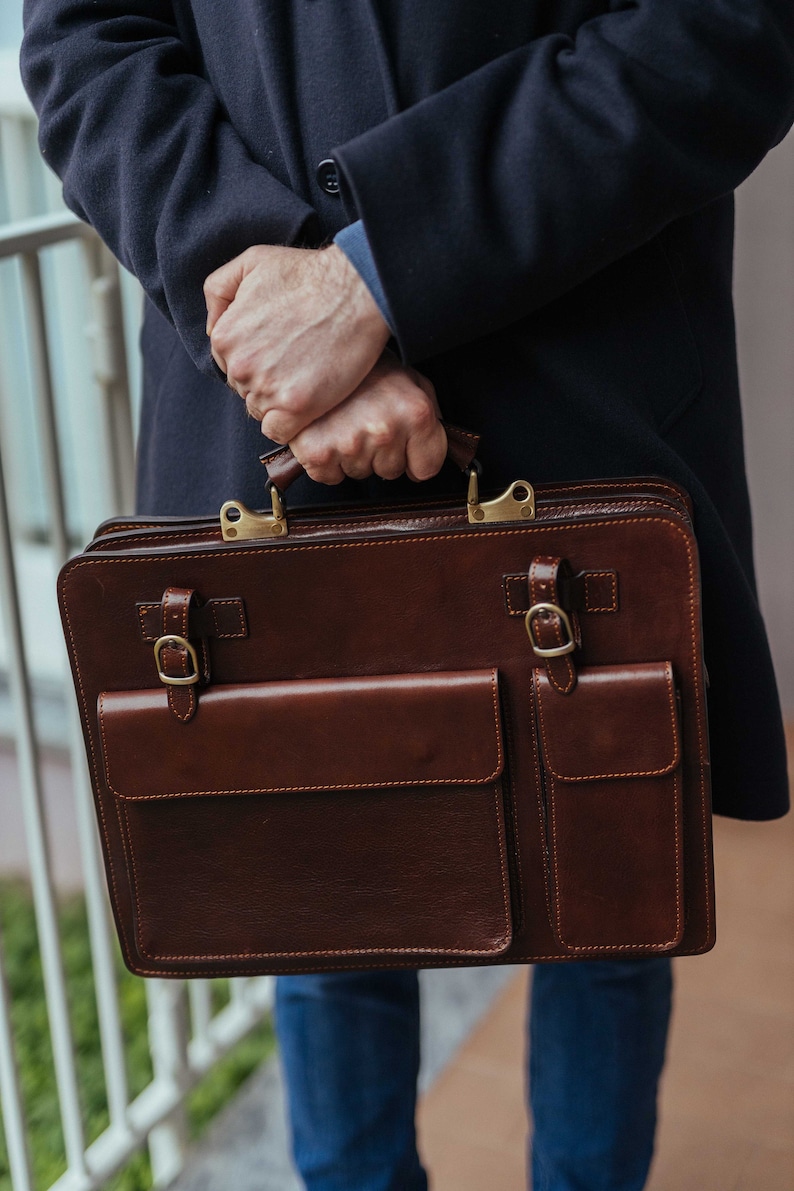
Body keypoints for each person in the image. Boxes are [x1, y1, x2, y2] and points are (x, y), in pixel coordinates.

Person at [20, 2, 793, 1188]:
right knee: (319, 901)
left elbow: (729, 25)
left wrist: (377, 279)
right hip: (260, 407)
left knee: (606, 888)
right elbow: (84, 41)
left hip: (582, 391)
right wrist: (271, 301)